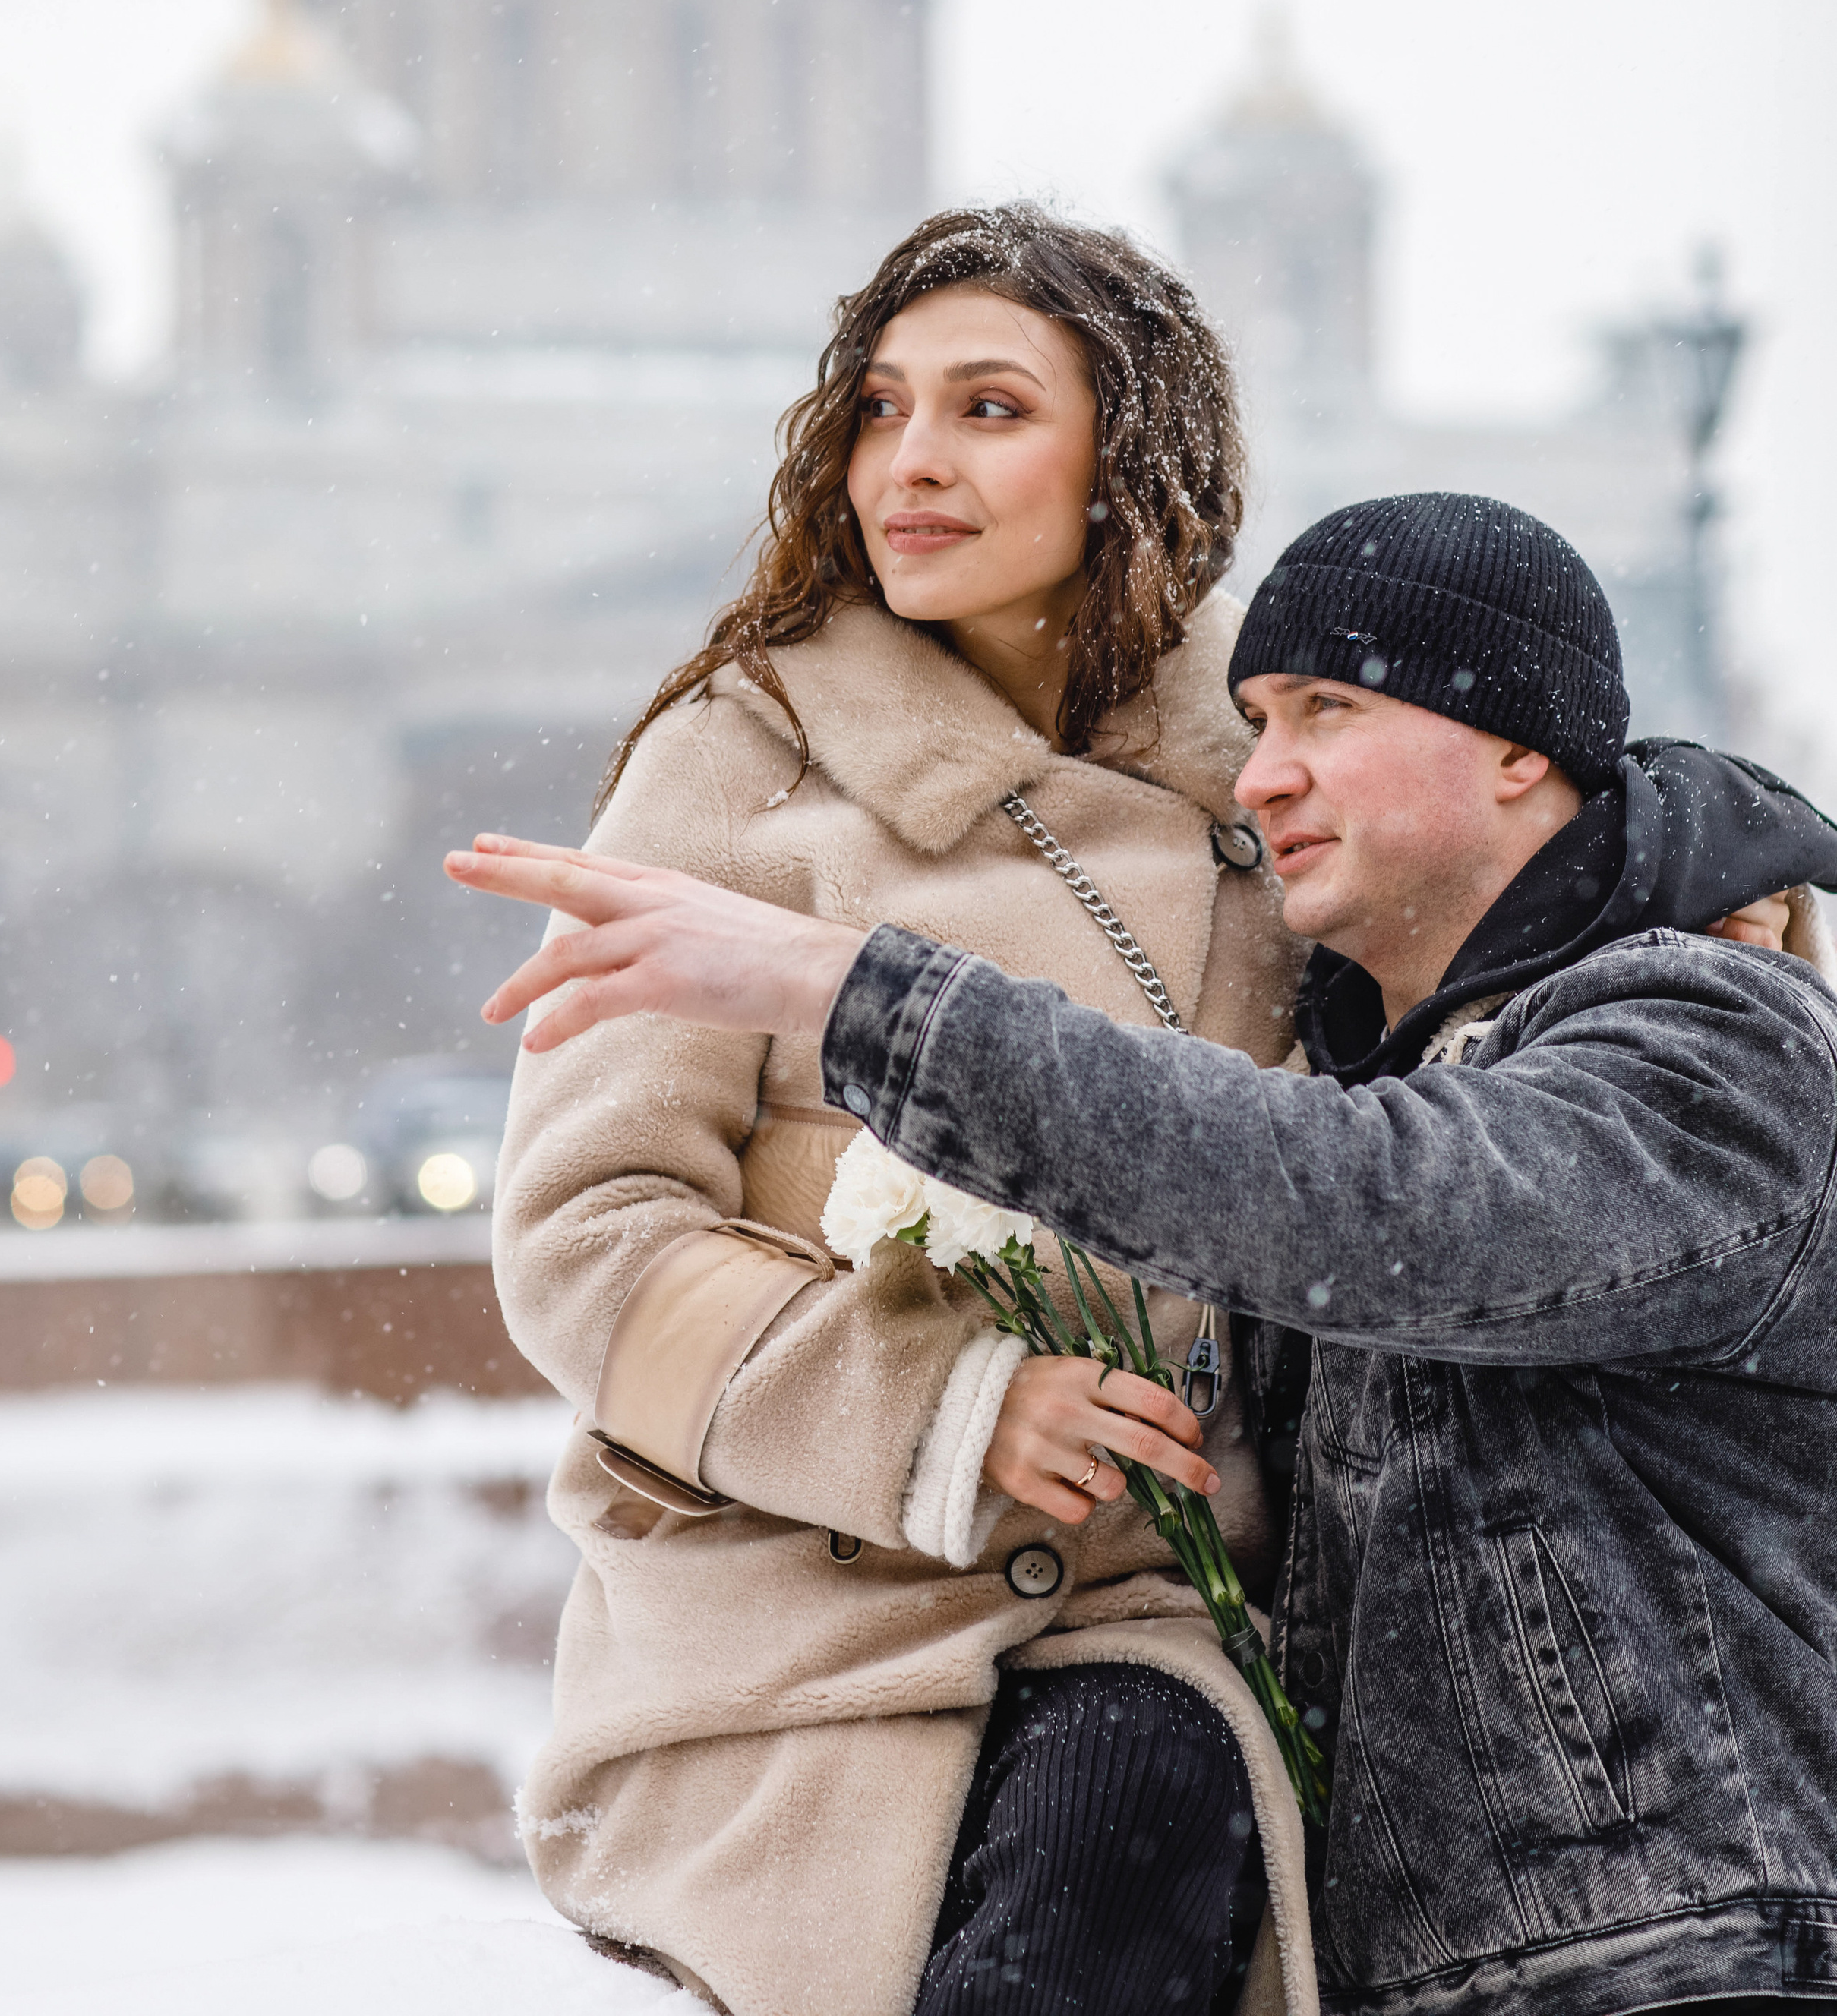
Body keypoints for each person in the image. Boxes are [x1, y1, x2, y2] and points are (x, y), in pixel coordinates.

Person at [464, 492, 1837, 2016]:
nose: (1265, 775)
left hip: (1692, 1958)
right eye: (1250, 720)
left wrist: (862, 992)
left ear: (1519, 748)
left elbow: (1363, 1208)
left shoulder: (1710, 1041)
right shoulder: (1392, 1067)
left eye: (1326, 709)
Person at [459, 205, 1322, 2016]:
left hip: (1157, 1613)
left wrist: (1708, 886)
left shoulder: (1265, 775)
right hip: (809, 1630)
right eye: (875, 409)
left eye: (988, 409)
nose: (908, 464)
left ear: (1133, 462)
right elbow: (581, 1231)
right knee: (1122, 1810)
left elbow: (1504, 908)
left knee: (1150, 1780)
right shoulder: (736, 760)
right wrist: (948, 1407)